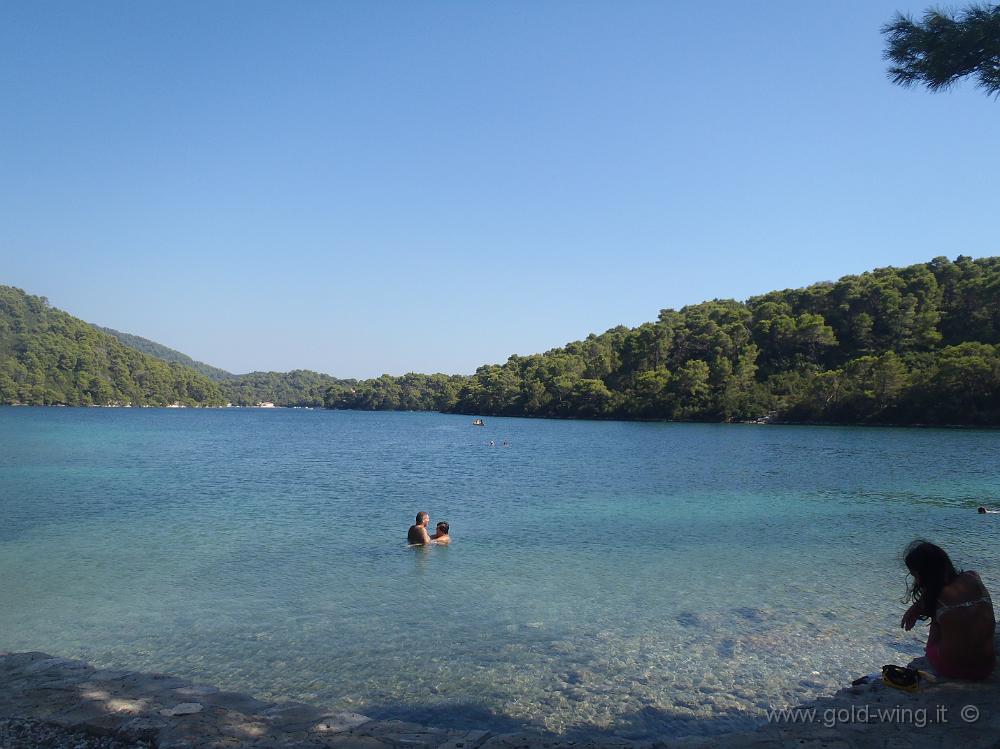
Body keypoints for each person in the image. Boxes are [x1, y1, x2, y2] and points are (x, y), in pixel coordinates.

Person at [900, 540, 996, 680]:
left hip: (953, 670)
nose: (917, 581)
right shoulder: (973, 576)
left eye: (915, 575)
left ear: (923, 574)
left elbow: (934, 598)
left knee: (937, 620)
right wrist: (917, 607)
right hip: (986, 667)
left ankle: (934, 654)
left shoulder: (936, 599)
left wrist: (916, 608)